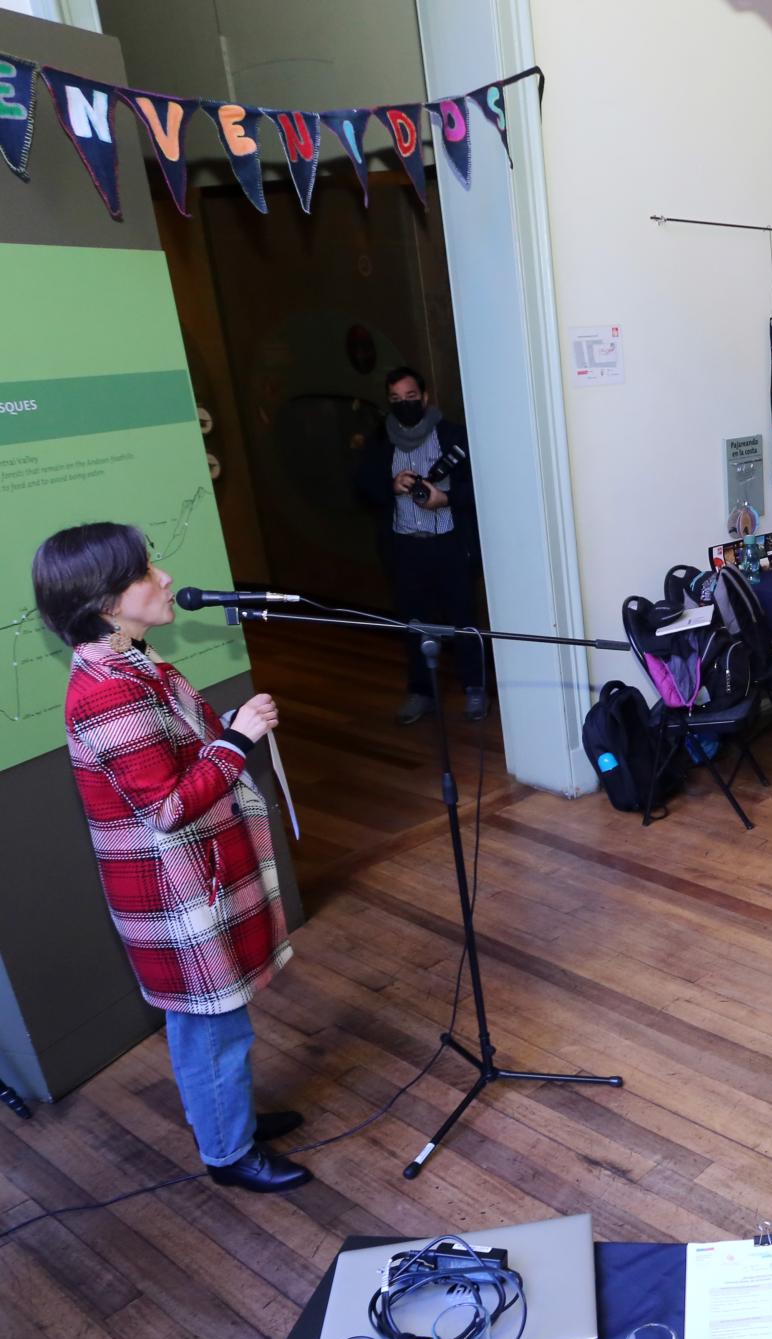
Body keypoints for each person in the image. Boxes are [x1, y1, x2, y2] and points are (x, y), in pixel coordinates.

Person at [31, 524, 308, 1194]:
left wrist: (226, 730)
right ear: (105, 601)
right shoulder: (107, 690)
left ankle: (230, 1122)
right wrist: (237, 741)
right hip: (173, 891)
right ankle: (229, 1153)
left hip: (189, 880)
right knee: (212, 1030)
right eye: (144, 572)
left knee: (216, 1023)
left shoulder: (130, 661)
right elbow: (167, 807)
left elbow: (171, 758)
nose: (163, 578)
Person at [353, 365, 487, 725]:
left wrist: (446, 499)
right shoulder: (380, 440)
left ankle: (475, 688)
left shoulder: (452, 436)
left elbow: (481, 485)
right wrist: (391, 485)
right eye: (396, 399)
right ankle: (421, 692)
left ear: (425, 397)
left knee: (463, 618)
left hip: (449, 544)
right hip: (406, 548)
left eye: (410, 397)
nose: (404, 404)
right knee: (413, 622)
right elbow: (362, 489)